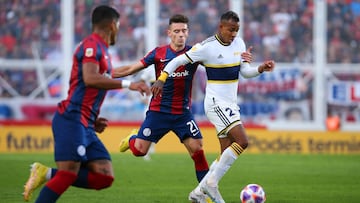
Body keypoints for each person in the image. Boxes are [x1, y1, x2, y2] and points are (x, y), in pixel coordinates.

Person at [113, 14, 252, 203]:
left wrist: (241, 58)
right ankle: (132, 139)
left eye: (184, 31)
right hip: (158, 112)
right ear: (169, 33)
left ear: (188, 32)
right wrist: (107, 73)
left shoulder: (195, 52)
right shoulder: (158, 53)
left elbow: (220, 59)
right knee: (140, 150)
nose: (180, 35)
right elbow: (131, 68)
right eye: (176, 31)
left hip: (182, 113)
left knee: (197, 148)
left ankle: (202, 194)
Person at [22, 5, 150, 203]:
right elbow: (90, 78)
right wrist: (129, 84)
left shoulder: (103, 50)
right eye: (117, 25)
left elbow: (96, 81)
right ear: (111, 25)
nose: (117, 29)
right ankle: (48, 175)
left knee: (104, 176)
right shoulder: (91, 46)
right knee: (67, 174)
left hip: (86, 122)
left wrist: (93, 118)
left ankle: (46, 173)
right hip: (72, 117)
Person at [151, 11, 275, 203]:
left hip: (231, 104)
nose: (234, 34)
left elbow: (245, 73)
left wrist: (260, 69)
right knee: (242, 141)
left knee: (225, 150)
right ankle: (211, 184)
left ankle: (198, 192)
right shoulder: (207, 47)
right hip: (216, 103)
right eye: (231, 30)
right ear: (221, 27)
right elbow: (177, 60)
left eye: (237, 30)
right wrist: (161, 79)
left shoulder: (239, 43)